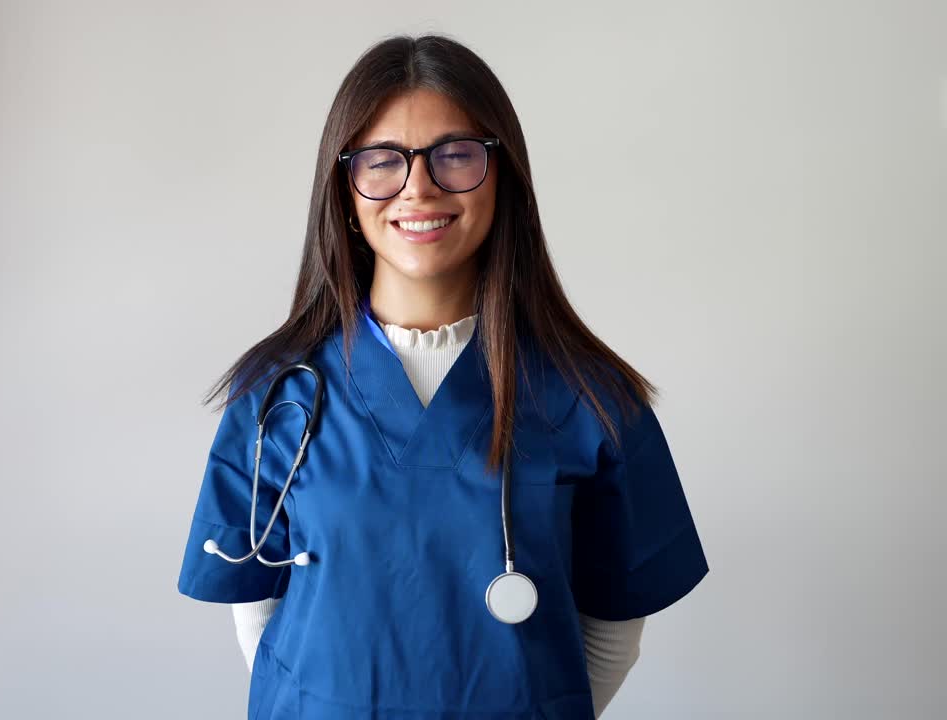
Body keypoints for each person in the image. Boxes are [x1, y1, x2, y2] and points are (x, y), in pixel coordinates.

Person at [176, 33, 709, 720]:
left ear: (503, 174)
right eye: (382, 160)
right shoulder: (276, 395)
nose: (418, 186)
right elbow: (259, 618)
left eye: (455, 155)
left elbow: (613, 633)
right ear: (345, 186)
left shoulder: (592, 399)